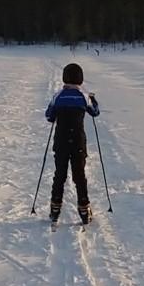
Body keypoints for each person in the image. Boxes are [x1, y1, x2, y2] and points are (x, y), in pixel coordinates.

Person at [44, 62, 99, 224]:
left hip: (60, 141)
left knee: (59, 174)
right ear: (80, 80)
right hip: (78, 142)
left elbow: (49, 116)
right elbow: (95, 112)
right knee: (79, 175)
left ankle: (55, 209)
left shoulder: (58, 96)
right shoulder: (84, 97)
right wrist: (93, 100)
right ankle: (84, 209)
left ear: (64, 79)